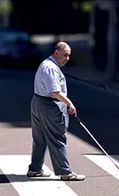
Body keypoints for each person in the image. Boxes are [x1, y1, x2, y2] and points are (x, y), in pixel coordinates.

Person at [28, 42, 85, 181]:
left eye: (69, 56)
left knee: (40, 138)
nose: (67, 58)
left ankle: (35, 169)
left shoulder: (46, 64)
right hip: (49, 105)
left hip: (38, 102)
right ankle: (65, 172)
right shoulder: (51, 68)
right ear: (56, 52)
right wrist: (69, 103)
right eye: (65, 55)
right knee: (57, 138)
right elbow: (54, 91)